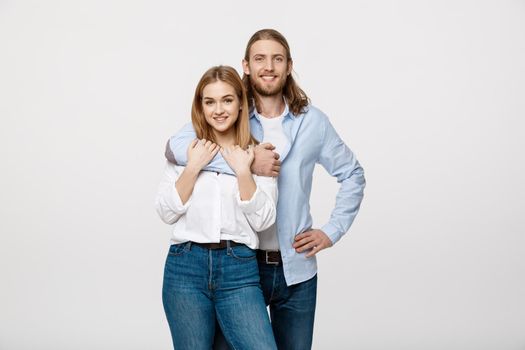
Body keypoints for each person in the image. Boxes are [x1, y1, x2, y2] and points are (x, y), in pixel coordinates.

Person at [165, 29, 366, 350]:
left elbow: (353, 174)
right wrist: (245, 163)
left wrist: (331, 231)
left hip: (295, 269)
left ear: (289, 66)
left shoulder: (313, 122)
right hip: (241, 265)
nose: (268, 66)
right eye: (260, 58)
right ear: (246, 65)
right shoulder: (231, 113)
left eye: (277, 59)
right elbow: (174, 148)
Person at [155, 65, 278, 350]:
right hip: (185, 267)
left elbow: (264, 220)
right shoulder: (187, 152)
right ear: (200, 106)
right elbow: (165, 211)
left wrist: (244, 172)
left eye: (227, 100)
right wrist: (194, 167)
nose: (218, 110)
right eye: (209, 101)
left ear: (240, 104)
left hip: (239, 268)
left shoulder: (258, 155)